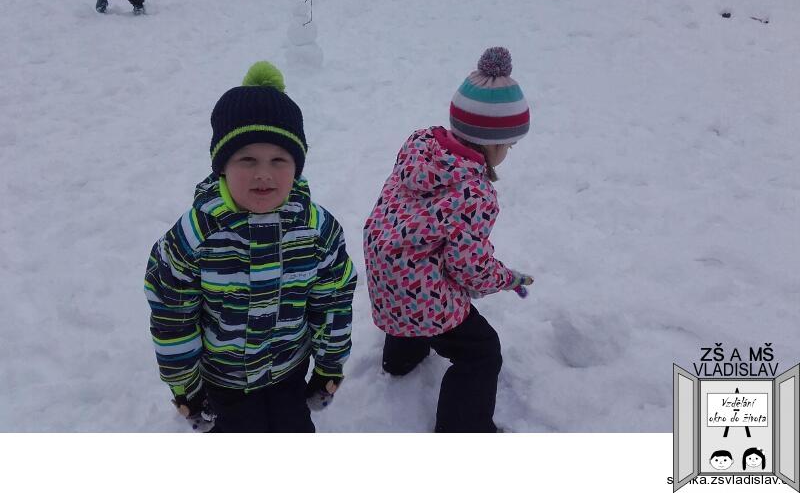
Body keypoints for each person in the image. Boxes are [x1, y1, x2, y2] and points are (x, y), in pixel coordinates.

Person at [144, 61, 356, 432]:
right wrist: (186, 388)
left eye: (279, 160)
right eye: (247, 159)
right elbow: (173, 317)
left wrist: (329, 365)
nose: (263, 174)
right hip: (224, 382)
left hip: (290, 369)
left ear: (296, 166)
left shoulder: (316, 231)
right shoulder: (194, 238)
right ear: (222, 166)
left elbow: (333, 301)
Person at [363, 46, 534, 432]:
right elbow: (470, 268)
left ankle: (400, 358)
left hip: (384, 275)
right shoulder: (474, 193)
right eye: (509, 145)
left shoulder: (420, 147)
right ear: (492, 143)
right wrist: (507, 278)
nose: (508, 152)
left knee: (413, 277)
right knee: (481, 352)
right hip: (420, 294)